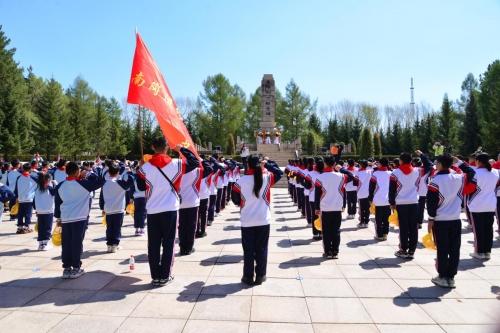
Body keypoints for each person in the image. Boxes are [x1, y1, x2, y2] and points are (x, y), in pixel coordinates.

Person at [136, 137, 199, 286]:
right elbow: (195, 162)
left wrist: (141, 168)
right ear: (167, 148)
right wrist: (181, 149)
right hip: (170, 209)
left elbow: (140, 187)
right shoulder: (176, 164)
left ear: (152, 147)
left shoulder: (144, 168)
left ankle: (155, 276)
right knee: (169, 243)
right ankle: (165, 275)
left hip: (152, 210)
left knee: (153, 244)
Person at [231, 155, 282, 285]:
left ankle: (248, 277)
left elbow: (235, 199)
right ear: (259, 164)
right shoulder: (267, 177)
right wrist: (267, 163)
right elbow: (279, 172)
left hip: (247, 220)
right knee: (262, 248)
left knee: (248, 250)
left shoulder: (241, 181)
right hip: (263, 220)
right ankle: (260, 275)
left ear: (247, 164)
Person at [427, 154, 476, 288]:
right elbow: (471, 171)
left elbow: (431, 203)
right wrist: (459, 161)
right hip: (455, 219)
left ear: (441, 164)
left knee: (442, 249)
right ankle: (451, 277)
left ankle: (442, 276)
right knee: (455, 249)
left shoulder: (434, 181)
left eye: (437, 163)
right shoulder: (460, 177)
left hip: (440, 219)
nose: (435, 165)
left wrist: (431, 219)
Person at [55, 162, 104, 279]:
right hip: (79, 218)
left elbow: (57, 204)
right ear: (77, 171)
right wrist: (88, 172)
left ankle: (66, 268)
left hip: (66, 218)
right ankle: (76, 267)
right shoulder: (83, 184)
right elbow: (101, 181)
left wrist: (58, 218)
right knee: (76, 243)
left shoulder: (60, 185)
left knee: (66, 244)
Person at [314, 156, 357, 259]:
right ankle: (335, 252)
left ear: (324, 164)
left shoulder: (320, 178)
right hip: (337, 207)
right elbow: (351, 176)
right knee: (336, 230)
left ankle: (328, 251)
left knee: (326, 231)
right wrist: (340, 168)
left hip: (325, 208)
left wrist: (316, 208)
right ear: (334, 164)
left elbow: (317, 195)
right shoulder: (341, 176)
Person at [466, 153, 499, 260]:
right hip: (490, 204)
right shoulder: (495, 172)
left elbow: (470, 188)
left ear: (479, 161)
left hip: (477, 205)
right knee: (488, 229)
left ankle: (479, 252)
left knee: (478, 230)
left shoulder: (475, 172)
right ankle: (487, 252)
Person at [389, 152, 422, 259]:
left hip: (401, 203)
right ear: (411, 160)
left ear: (401, 161)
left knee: (403, 227)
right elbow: (430, 165)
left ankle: (403, 249)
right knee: (413, 227)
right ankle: (412, 251)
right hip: (414, 202)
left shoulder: (395, 172)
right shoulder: (418, 171)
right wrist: (422, 155)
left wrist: (392, 202)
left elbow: (392, 189)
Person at [100, 162, 133, 253]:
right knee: (117, 228)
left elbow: (101, 196)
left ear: (109, 172)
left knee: (109, 228)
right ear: (118, 172)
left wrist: (102, 208)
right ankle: (115, 245)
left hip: (109, 209)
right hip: (118, 209)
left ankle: (109, 245)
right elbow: (131, 181)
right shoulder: (120, 183)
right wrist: (129, 172)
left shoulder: (105, 183)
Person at [178, 158, 202, 256]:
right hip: (192, 201)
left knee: (182, 226)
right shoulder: (198, 170)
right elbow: (209, 169)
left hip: (180, 202)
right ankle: (189, 247)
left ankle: (182, 247)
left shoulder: (177, 170)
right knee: (191, 226)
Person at [369, 158, 392, 241]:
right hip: (388, 200)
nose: (377, 165)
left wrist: (370, 198)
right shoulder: (391, 173)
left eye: (378, 163)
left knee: (378, 219)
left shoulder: (375, 174)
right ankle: (385, 234)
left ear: (381, 164)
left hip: (378, 200)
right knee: (386, 219)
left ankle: (379, 235)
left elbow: (371, 188)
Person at [34, 172, 57, 250]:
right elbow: (56, 192)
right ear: (48, 180)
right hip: (48, 211)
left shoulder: (37, 188)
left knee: (41, 228)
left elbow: (35, 200)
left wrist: (36, 210)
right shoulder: (49, 188)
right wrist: (55, 184)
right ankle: (45, 244)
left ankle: (40, 244)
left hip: (40, 211)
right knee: (47, 228)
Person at [15, 163, 38, 234]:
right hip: (29, 199)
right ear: (30, 169)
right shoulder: (33, 177)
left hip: (21, 198)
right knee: (28, 214)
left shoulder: (19, 177)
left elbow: (16, 188)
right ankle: (26, 226)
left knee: (20, 214)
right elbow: (40, 182)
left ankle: (20, 227)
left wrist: (17, 196)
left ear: (23, 169)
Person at [304, 157, 323, 240]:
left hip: (312, 197)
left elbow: (307, 186)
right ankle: (322, 233)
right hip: (323, 198)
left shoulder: (310, 174)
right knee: (322, 216)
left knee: (314, 216)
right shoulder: (325, 174)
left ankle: (315, 233)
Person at [414, 154, 433, 229]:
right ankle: (432, 221)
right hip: (429, 191)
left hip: (420, 192)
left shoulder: (415, 170)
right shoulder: (428, 169)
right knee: (431, 207)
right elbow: (429, 164)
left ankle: (419, 222)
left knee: (420, 208)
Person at [196, 159, 214, 238]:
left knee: (197, 215)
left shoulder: (193, 171)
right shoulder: (204, 172)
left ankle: (197, 231)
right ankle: (202, 231)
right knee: (203, 214)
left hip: (196, 196)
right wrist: (202, 160)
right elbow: (210, 169)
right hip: (203, 195)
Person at [130, 165, 147, 236]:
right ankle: (142, 229)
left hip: (136, 197)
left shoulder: (134, 177)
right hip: (144, 197)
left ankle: (136, 229)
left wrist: (131, 198)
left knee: (136, 213)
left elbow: (132, 188)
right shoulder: (145, 177)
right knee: (143, 213)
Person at [356, 160, 372, 228]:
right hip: (368, 192)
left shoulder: (358, 173)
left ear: (361, 165)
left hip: (360, 193)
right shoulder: (370, 172)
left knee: (362, 209)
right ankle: (367, 222)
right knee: (367, 208)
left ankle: (362, 222)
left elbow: (355, 182)